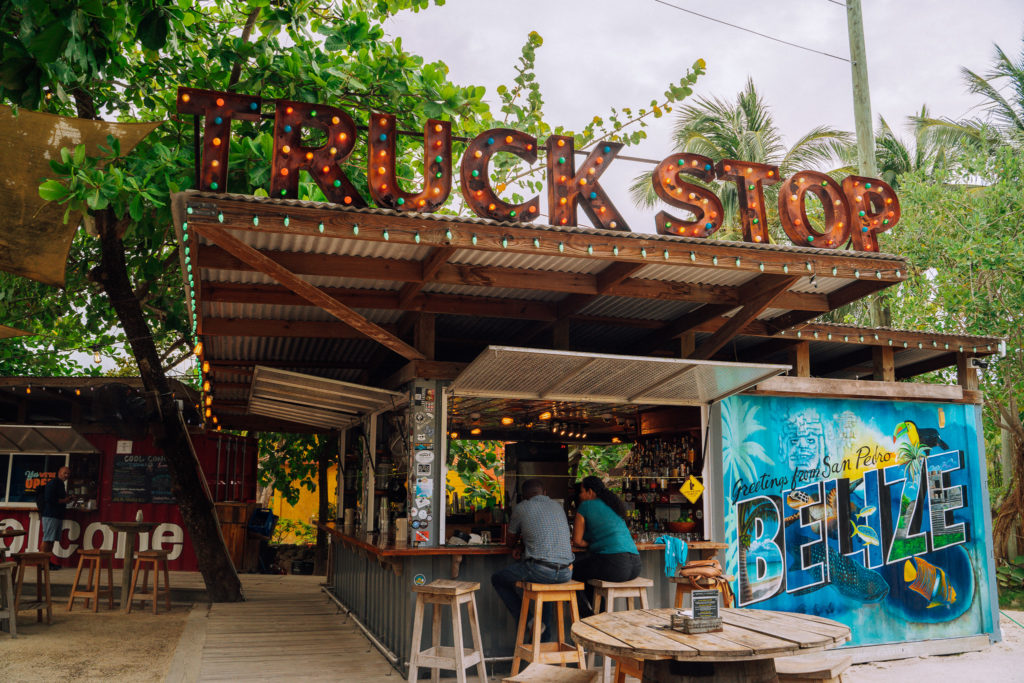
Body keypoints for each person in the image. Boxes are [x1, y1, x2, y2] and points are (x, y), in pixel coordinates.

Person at [491, 479, 574, 640]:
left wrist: (518, 545)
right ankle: (542, 640)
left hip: (541, 570)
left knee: (498, 579)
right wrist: (523, 546)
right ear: (544, 492)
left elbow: (510, 542)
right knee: (545, 588)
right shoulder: (558, 507)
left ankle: (530, 622)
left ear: (523, 496)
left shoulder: (522, 508)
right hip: (566, 572)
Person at [571, 475, 641, 617]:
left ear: (590, 492)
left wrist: (591, 543)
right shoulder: (612, 505)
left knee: (569, 573)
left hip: (615, 565)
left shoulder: (586, 505)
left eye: (581, 492)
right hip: (635, 566)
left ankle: (586, 616)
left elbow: (577, 541)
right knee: (589, 576)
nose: (580, 496)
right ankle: (600, 616)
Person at [40, 466, 70, 570]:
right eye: (64, 473)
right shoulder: (53, 483)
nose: (66, 475)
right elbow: (48, 498)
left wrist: (66, 499)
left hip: (57, 515)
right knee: (47, 539)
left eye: (68, 474)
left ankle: (47, 561)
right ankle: (41, 562)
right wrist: (64, 500)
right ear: (59, 472)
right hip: (50, 515)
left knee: (51, 540)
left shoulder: (61, 484)